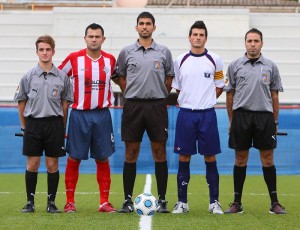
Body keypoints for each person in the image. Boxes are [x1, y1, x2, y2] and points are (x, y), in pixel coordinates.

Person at [113, 11, 174, 213]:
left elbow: (169, 79)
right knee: (131, 152)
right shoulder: (126, 52)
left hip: (157, 106)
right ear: (136, 27)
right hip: (133, 107)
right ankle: (127, 200)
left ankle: (163, 200)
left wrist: (158, 94)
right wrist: (130, 91)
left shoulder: (164, 52)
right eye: (141, 23)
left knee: (160, 152)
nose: (145, 26)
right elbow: (119, 76)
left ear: (154, 27)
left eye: (148, 23)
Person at [224, 28, 287, 214]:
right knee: (240, 159)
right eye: (249, 41)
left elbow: (275, 96)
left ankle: (274, 203)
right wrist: (231, 121)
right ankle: (237, 203)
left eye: (256, 41)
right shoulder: (235, 65)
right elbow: (229, 96)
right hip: (241, 117)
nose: (253, 44)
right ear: (245, 43)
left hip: (264, 118)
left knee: (268, 159)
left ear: (262, 43)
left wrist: (275, 122)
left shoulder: (271, 66)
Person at [58, 23, 117, 213]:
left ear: (103, 39)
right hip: (79, 114)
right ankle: (70, 202)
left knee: (103, 158)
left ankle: (104, 202)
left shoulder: (110, 60)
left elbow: (120, 78)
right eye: (90, 36)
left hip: (102, 114)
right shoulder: (74, 59)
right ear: (85, 38)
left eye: (97, 36)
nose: (93, 39)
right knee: (74, 158)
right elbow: (57, 76)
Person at [14, 35, 73, 213]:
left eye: (48, 49)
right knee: (32, 164)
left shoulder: (63, 77)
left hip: (54, 124)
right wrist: (25, 127)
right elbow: (21, 102)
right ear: (37, 52)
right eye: (41, 49)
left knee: (52, 165)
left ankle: (51, 203)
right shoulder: (28, 76)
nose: (45, 53)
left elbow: (65, 104)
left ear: (53, 51)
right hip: (33, 125)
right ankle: (30, 202)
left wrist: (62, 127)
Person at [171, 21, 224, 214]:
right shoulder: (180, 60)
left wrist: (206, 100)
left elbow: (219, 85)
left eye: (201, 34)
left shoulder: (215, 59)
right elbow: (176, 87)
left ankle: (214, 202)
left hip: (207, 115)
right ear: (189, 37)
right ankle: (182, 202)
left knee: (210, 157)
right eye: (195, 34)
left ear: (206, 38)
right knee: (184, 156)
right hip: (185, 114)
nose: (198, 37)